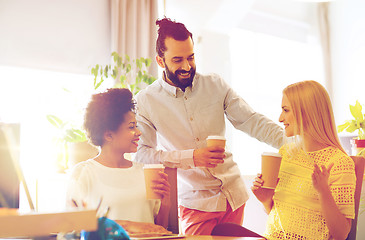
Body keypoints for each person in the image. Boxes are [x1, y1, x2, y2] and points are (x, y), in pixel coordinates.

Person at [134, 17, 285, 235]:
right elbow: (142, 155)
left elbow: (251, 121)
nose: (187, 67)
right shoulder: (146, 101)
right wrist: (192, 157)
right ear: (160, 60)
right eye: (177, 60)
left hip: (234, 196)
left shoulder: (215, 85)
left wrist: (292, 143)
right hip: (195, 203)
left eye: (191, 57)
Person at [251, 80, 356, 240]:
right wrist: (266, 200)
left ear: (306, 112)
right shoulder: (286, 153)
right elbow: (281, 215)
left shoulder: (339, 163)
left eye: (286, 110)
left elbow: (341, 234)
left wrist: (323, 191)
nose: (280, 118)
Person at [65, 88, 171, 235]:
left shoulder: (144, 172)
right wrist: (129, 226)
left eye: (136, 126)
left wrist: (165, 204)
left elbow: (159, 230)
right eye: (131, 127)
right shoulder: (83, 173)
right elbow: (72, 228)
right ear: (108, 135)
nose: (138, 132)